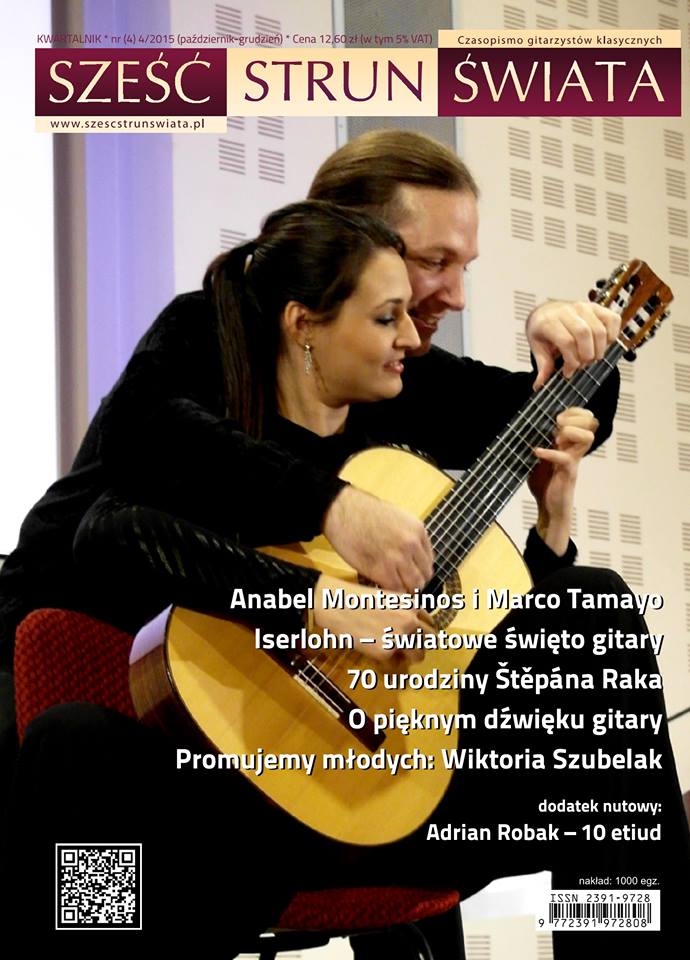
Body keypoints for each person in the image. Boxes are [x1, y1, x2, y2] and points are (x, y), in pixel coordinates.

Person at [0, 200, 687, 960]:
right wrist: (317, 602)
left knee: (593, 620)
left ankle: (626, 941)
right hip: (251, 802)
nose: (415, 335)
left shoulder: (393, 430)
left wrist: (551, 527)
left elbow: (494, 612)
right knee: (71, 745)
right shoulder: (214, 434)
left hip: (403, 790)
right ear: (305, 324)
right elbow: (110, 532)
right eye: (390, 313)